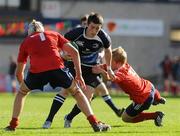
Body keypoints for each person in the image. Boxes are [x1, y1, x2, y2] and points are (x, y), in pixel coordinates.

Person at [4, 19, 111, 132]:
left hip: (37, 71)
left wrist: (23, 86)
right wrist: (79, 74)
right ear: (43, 30)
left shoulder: (26, 42)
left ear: (29, 33)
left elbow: (18, 72)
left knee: (21, 93)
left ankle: (13, 125)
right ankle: (94, 122)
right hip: (57, 69)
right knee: (77, 93)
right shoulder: (53, 33)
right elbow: (74, 52)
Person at [43, 13, 123, 129]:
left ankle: (69, 117)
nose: (94, 30)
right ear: (87, 25)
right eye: (92, 27)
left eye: (98, 28)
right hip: (73, 65)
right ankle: (48, 120)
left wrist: (109, 68)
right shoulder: (76, 33)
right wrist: (62, 54)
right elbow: (59, 42)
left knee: (87, 97)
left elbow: (108, 51)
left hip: (91, 69)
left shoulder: (103, 37)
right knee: (65, 91)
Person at [94, 46, 166, 126]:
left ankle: (155, 115)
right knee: (148, 89)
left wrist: (100, 71)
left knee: (126, 117)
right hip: (149, 87)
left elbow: (110, 78)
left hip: (143, 99)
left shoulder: (121, 74)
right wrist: (99, 67)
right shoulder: (125, 65)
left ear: (117, 63)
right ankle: (158, 98)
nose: (108, 63)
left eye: (110, 61)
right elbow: (107, 67)